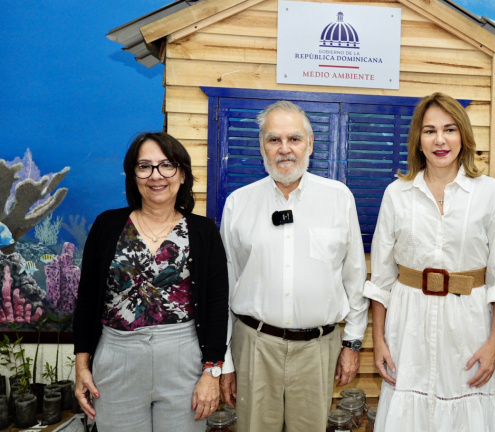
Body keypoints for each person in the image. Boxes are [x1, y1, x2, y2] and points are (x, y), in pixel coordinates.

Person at [364, 92, 495, 431]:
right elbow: (381, 278)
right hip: (408, 325)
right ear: (417, 141)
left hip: (470, 325)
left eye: (449, 129)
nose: (440, 140)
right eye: (429, 131)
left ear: (463, 136)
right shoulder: (397, 194)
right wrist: (379, 341)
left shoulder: (491, 194)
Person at [218, 100, 368, 432]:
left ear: (310, 144)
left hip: (318, 350)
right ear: (262, 146)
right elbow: (226, 287)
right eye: (274, 140)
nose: (285, 149)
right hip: (254, 347)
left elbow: (354, 277)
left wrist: (353, 343)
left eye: (294, 139)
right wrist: (225, 361)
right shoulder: (238, 205)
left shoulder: (338, 199)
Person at [73, 132, 229, 431]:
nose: (156, 176)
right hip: (117, 358)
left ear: (182, 174)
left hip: (183, 358)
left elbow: (216, 304)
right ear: (133, 176)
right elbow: (88, 297)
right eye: (144, 166)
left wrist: (212, 372)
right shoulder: (107, 225)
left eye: (166, 165)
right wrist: (82, 366)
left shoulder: (203, 231)